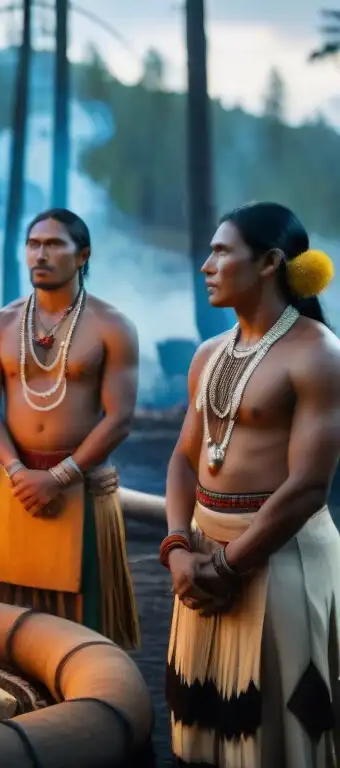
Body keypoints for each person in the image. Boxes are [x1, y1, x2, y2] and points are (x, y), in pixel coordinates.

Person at [161, 202, 340, 766]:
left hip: (280, 559)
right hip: (203, 559)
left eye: (221, 251)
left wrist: (231, 564)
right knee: (205, 719)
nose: (206, 264)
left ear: (269, 262)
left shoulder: (318, 354)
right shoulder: (208, 354)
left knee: (281, 733)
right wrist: (177, 552)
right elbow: (184, 461)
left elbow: (310, 486)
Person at [0, 208, 140, 649]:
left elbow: (119, 417)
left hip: (79, 485)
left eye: (54, 244)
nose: (40, 254)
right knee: (4, 625)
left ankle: (86, 701)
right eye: (33, 244)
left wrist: (61, 476)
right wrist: (15, 470)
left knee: (85, 630)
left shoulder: (112, 326)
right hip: (14, 484)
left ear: (82, 255)